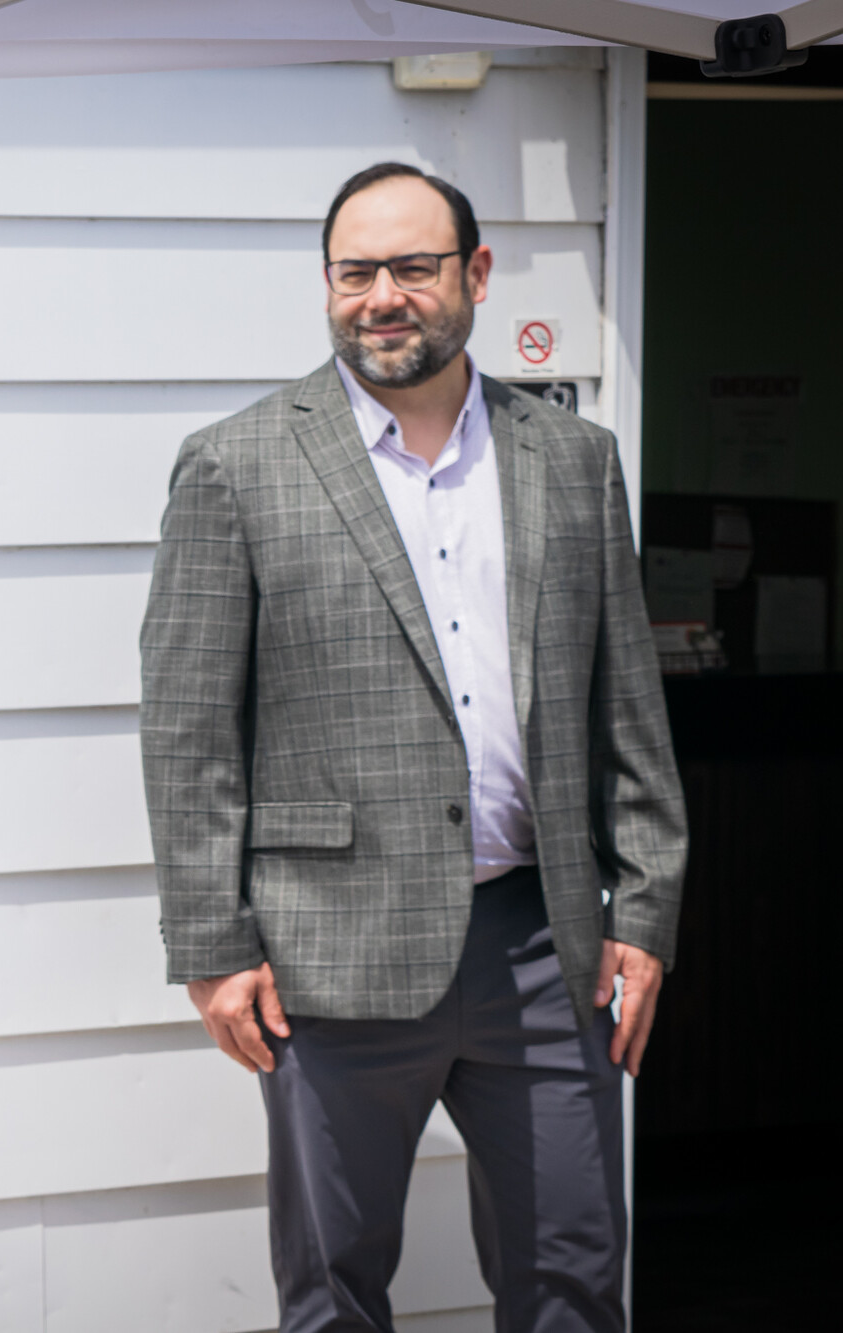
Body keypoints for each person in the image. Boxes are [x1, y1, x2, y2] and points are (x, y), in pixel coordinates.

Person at [139, 163, 685, 1332]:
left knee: (574, 1282)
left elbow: (624, 703)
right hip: (325, 956)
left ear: (474, 275)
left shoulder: (572, 461)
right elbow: (187, 730)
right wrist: (210, 944)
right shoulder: (235, 463)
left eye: (411, 267)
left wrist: (642, 911)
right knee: (332, 1292)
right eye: (354, 272)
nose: (380, 295)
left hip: (545, 944)